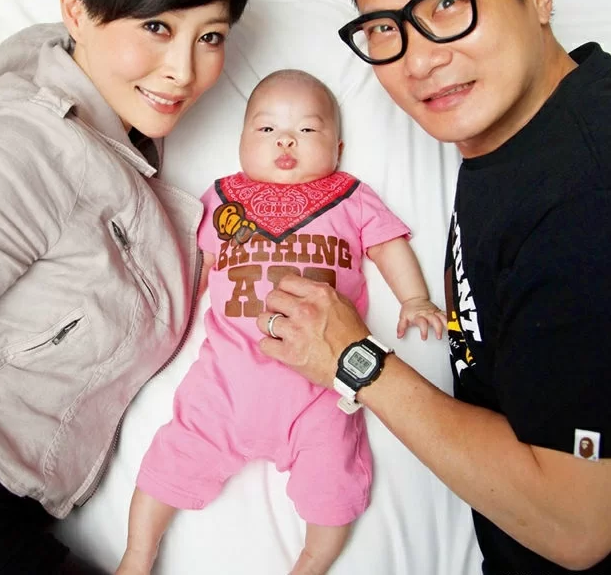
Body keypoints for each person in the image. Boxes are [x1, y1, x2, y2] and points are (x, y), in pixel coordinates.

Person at [253, 0, 611, 575]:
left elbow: (580, 525)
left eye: (448, 2)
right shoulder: (536, 129)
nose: (418, 61)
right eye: (385, 28)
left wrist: (354, 360)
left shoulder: (587, 197)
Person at [0, 0, 251, 574]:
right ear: (76, 8)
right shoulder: (26, 147)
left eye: (210, 37)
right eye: (156, 27)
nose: (182, 71)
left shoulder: (118, 143)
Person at [116, 69, 445, 575]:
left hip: (322, 387)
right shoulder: (221, 199)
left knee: (333, 483)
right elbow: (195, 269)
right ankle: (137, 555)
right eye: (267, 128)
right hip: (225, 384)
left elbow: (388, 245)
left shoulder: (351, 196)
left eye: (307, 130)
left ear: (337, 148)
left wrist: (415, 298)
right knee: (170, 459)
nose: (286, 140)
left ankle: (311, 563)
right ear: (241, 141)